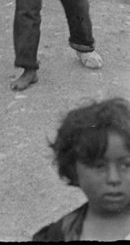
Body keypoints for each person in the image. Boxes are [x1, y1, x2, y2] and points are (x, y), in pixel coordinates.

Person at [32, 97, 130, 241]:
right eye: (99, 166)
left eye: (127, 165)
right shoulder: (59, 235)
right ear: (72, 170)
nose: (113, 178)